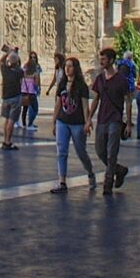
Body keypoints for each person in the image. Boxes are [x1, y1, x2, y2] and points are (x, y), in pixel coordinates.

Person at [89, 47, 132, 197]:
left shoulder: (121, 80)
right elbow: (96, 99)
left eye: (104, 59)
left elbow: (128, 100)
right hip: (102, 118)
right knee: (100, 150)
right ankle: (119, 170)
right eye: (100, 59)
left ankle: (108, 183)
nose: (101, 61)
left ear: (112, 61)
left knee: (111, 153)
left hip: (115, 119)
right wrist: (89, 118)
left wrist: (128, 122)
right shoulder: (100, 78)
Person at [49, 55, 95, 193]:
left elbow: (85, 105)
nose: (67, 68)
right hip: (62, 121)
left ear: (75, 68)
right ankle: (62, 181)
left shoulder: (81, 86)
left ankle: (90, 172)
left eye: (70, 66)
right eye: (66, 66)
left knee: (81, 151)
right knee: (61, 151)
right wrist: (54, 121)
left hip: (77, 123)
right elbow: (58, 104)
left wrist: (87, 122)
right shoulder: (62, 84)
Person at [0, 47, 23, 151]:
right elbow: (19, 65)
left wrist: (8, 53)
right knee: (11, 121)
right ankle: (8, 141)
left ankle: (5, 140)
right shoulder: (19, 72)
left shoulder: (5, 70)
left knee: (6, 119)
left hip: (5, 98)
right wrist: (14, 54)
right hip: (15, 98)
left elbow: (1, 61)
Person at [20, 50, 42, 140]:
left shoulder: (36, 67)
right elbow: (23, 77)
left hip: (29, 90)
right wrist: (33, 77)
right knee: (31, 108)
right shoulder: (27, 67)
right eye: (31, 57)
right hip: (28, 90)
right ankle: (27, 124)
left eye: (34, 57)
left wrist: (38, 86)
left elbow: (37, 78)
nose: (33, 59)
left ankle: (28, 123)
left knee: (29, 107)